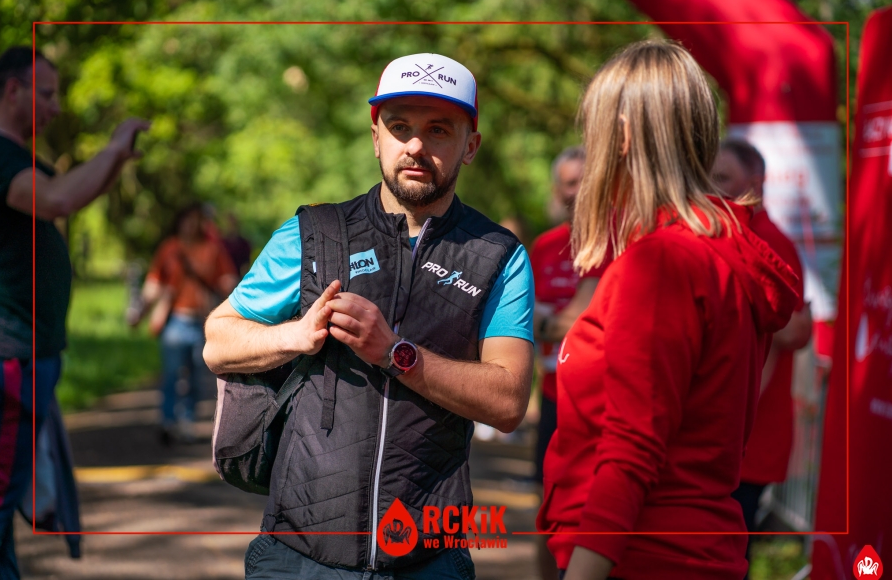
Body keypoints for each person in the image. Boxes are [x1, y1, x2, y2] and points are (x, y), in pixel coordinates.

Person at [203, 52, 534, 579]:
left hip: (428, 559)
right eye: (400, 127)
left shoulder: (499, 255)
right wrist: (296, 335)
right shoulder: (314, 233)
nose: (416, 146)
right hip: (298, 555)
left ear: (470, 146)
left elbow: (510, 401)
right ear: (376, 136)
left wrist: (395, 353)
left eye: (438, 130)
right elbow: (218, 340)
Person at [536, 40, 801, 580]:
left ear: (624, 135)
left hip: (641, 556)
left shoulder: (663, 263)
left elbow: (632, 449)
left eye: (595, 131)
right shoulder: (715, 250)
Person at [0, 46, 149, 578]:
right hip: (8, 358)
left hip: (27, 356)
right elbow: (58, 199)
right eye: (47, 94)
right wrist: (112, 148)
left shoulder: (21, 158)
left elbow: (71, 195)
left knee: (6, 500)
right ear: (12, 90)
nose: (56, 107)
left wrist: (116, 160)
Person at [712, 138, 811, 567]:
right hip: (730, 435)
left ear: (755, 184)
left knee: (727, 555)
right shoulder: (731, 234)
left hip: (747, 438)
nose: (712, 188)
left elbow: (795, 328)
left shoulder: (767, 241)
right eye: (708, 178)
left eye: (723, 178)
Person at [529, 145, 609, 580]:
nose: (576, 192)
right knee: (546, 509)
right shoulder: (544, 247)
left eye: (584, 182)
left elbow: (576, 319)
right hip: (552, 396)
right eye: (569, 184)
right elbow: (523, 318)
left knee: (591, 511)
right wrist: (551, 324)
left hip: (600, 401)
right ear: (557, 190)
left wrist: (551, 322)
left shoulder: (610, 241)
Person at [129, 203, 237, 444]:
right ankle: (168, 421)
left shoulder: (212, 249)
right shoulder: (170, 249)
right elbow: (154, 284)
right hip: (175, 322)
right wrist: (139, 312)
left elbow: (227, 281)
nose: (190, 225)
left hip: (202, 322)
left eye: (195, 220)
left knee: (196, 376)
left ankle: (187, 421)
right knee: (171, 374)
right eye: (187, 219)